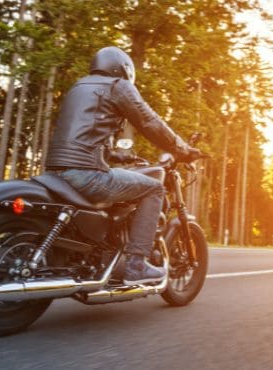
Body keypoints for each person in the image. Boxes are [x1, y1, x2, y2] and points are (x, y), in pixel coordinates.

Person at [45, 46, 202, 285]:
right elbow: (150, 122)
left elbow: (86, 132)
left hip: (56, 171)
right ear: (123, 69)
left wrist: (117, 155)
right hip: (86, 174)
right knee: (154, 189)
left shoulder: (79, 87)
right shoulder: (118, 86)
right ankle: (136, 266)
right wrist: (182, 149)